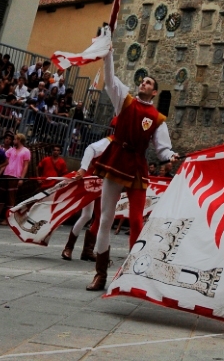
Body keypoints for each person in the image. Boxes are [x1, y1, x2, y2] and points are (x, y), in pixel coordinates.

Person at [86, 48, 177, 291]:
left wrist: (171, 155)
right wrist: (108, 54)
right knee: (105, 218)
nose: (143, 83)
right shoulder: (124, 100)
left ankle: (132, 271)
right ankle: (100, 274)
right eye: (143, 80)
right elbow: (110, 76)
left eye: (148, 82)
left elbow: (162, 149)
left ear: (154, 91)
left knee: (136, 219)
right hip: (116, 160)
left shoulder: (157, 118)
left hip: (137, 165)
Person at [60, 133, 113, 261]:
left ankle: (87, 251)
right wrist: (83, 168)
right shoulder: (110, 141)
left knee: (101, 218)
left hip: (106, 184)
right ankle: (68, 247)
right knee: (87, 215)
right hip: (92, 181)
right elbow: (90, 149)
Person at [0, 132, 30, 223]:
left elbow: (25, 166)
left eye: (15, 139)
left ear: (19, 140)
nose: (13, 141)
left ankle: (8, 219)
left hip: (15, 176)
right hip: (6, 174)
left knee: (11, 198)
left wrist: (21, 178)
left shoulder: (26, 151)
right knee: (1, 196)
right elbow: (5, 162)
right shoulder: (10, 150)